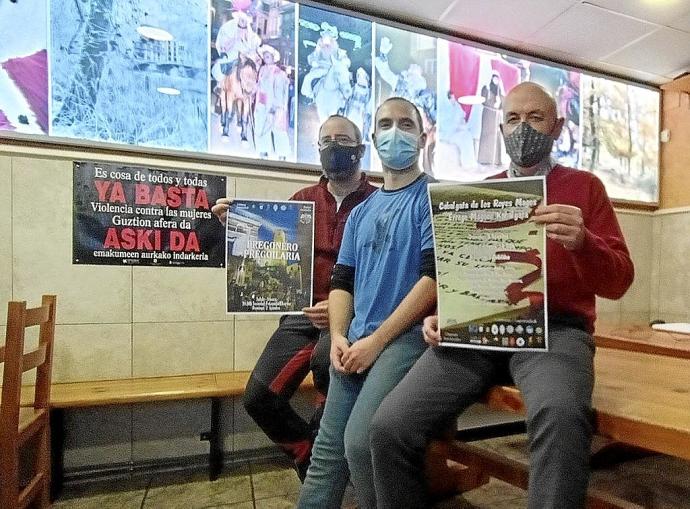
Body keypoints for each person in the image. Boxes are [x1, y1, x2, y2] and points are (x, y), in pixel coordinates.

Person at [370, 82, 635, 509]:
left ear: (558, 126)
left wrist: (585, 242)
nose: (523, 127)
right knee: (389, 426)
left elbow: (620, 281)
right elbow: (463, 273)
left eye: (535, 118)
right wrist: (442, 313)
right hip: (479, 328)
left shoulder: (586, 188)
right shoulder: (482, 191)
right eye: (513, 119)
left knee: (562, 417)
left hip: (555, 330)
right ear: (501, 127)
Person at [212, 115, 377, 480]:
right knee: (257, 398)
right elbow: (272, 257)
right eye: (327, 140)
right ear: (318, 150)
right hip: (301, 317)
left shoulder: (378, 203)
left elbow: (385, 270)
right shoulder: (301, 202)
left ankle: (325, 470)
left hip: (356, 319)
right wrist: (237, 225)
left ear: (361, 149)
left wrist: (340, 309)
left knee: (326, 364)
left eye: (344, 140)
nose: (335, 147)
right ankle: (310, 453)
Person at [297, 97, 437, 509]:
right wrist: (339, 335)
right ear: (374, 139)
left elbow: (431, 281)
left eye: (406, 124)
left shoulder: (435, 199)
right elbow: (343, 283)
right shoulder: (361, 213)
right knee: (328, 451)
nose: (396, 132)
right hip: (354, 343)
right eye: (386, 124)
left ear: (423, 136)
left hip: (405, 340)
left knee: (360, 443)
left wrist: (376, 342)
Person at [254, 45, 291, 160]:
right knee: (261, 127)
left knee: (278, 129)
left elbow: (279, 92)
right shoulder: (262, 70)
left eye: (268, 56)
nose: (266, 58)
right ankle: (263, 150)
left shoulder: (278, 73)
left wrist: (275, 108)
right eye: (264, 56)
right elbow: (259, 86)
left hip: (275, 105)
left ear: (273, 58)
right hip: (261, 104)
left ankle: (282, 153)